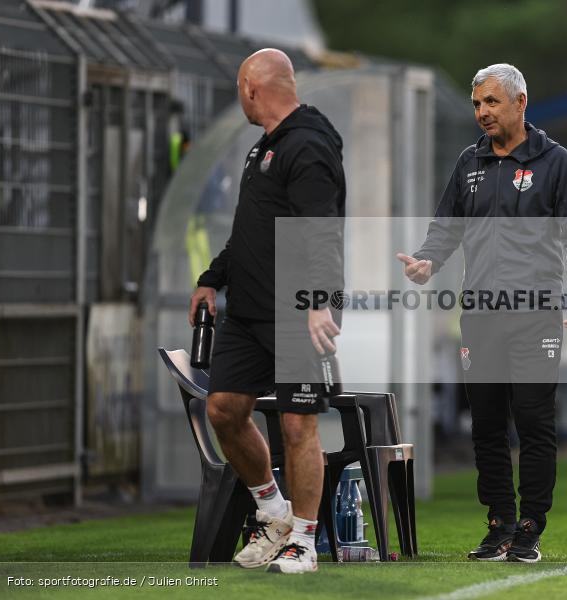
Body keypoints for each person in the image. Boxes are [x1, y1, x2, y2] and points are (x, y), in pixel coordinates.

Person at [396, 64, 567, 562]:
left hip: (535, 313)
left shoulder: (555, 161)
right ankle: (499, 523)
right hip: (481, 314)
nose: (482, 112)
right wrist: (426, 261)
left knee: (533, 421)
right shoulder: (469, 163)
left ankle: (530, 525)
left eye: (491, 102)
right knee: (484, 424)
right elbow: (445, 229)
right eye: (477, 104)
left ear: (520, 102)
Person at [187, 49, 345, 574]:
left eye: (240, 91)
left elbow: (321, 229)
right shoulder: (264, 151)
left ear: (252, 88)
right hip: (251, 313)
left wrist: (320, 302)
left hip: (300, 311)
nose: (241, 100)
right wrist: (213, 278)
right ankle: (274, 513)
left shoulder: (309, 144)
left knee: (299, 426)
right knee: (224, 410)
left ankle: (304, 541)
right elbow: (250, 235)